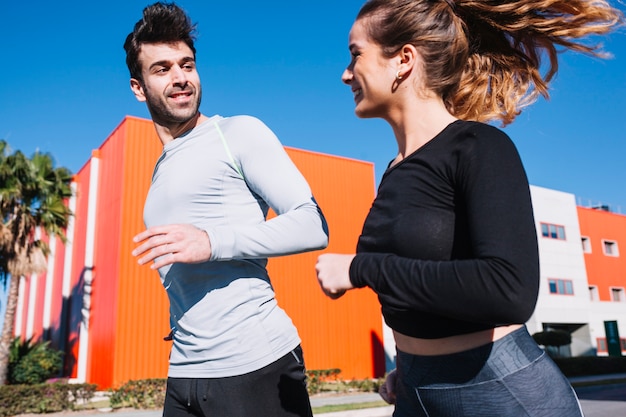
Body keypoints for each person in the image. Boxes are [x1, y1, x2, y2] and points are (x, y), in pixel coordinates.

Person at [315, 0, 623, 416]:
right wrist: (411, 363)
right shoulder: (394, 171)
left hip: (498, 391)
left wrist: (360, 268)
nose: (345, 73)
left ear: (403, 60)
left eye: (356, 54)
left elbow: (508, 291)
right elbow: (423, 282)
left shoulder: (478, 147)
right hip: (415, 390)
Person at [125, 3, 328, 416]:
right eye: (162, 69)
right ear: (138, 87)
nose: (181, 77)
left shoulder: (236, 133)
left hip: (254, 363)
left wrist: (211, 241)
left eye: (187, 64)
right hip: (184, 369)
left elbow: (314, 224)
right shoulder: (161, 169)